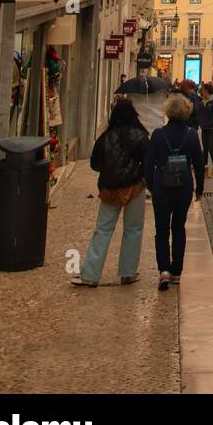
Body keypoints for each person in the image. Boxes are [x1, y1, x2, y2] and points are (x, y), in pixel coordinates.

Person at [71, 98, 148, 287]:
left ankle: (90, 275)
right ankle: (128, 272)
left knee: (103, 230)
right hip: (134, 187)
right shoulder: (140, 135)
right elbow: (147, 163)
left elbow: (95, 164)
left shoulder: (104, 137)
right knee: (133, 230)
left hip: (109, 189)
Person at [144, 93, 205, 290]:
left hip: (162, 187)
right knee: (179, 228)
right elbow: (199, 163)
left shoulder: (158, 135)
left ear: (167, 112)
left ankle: (164, 270)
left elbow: (148, 164)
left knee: (161, 230)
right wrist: (199, 189)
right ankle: (177, 272)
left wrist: (151, 186)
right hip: (184, 187)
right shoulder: (191, 135)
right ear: (187, 112)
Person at [199, 82, 213, 178]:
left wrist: (211, 123)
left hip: (212, 128)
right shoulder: (201, 102)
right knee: (205, 148)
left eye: (203, 90)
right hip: (204, 128)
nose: (202, 92)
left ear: (207, 91)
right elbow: (199, 114)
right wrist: (200, 122)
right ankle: (205, 167)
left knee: (210, 147)